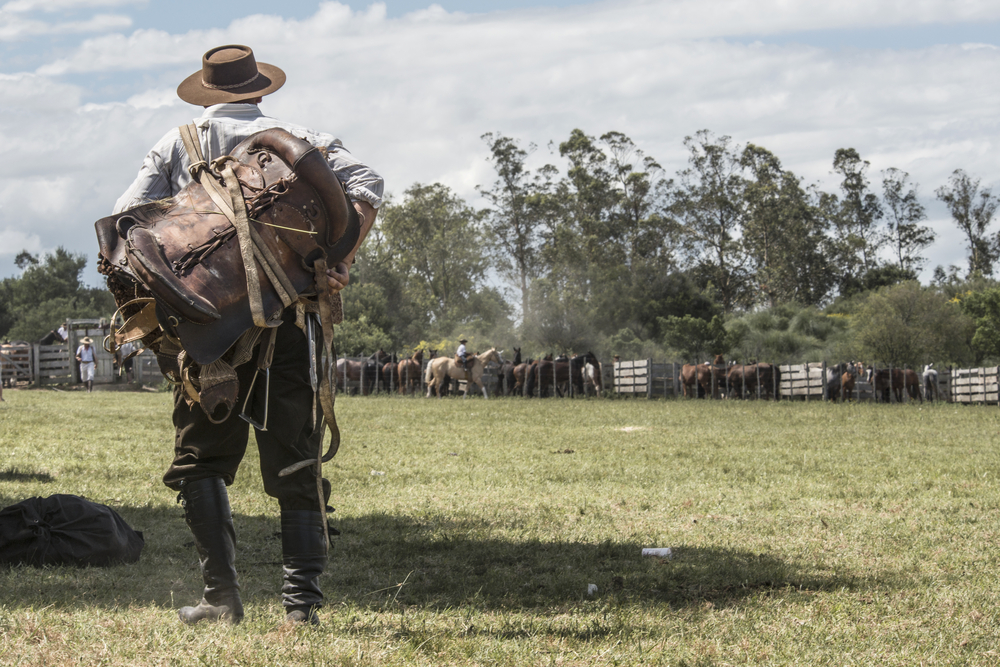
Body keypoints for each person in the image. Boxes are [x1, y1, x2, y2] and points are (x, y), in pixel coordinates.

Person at [113, 45, 383, 626]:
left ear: (208, 93)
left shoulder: (177, 142)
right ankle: (301, 607)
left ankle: (221, 598)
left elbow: (126, 216)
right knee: (295, 453)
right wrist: (340, 261)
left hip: (209, 328)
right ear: (261, 89)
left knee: (201, 461)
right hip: (290, 316)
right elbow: (369, 181)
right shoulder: (302, 135)